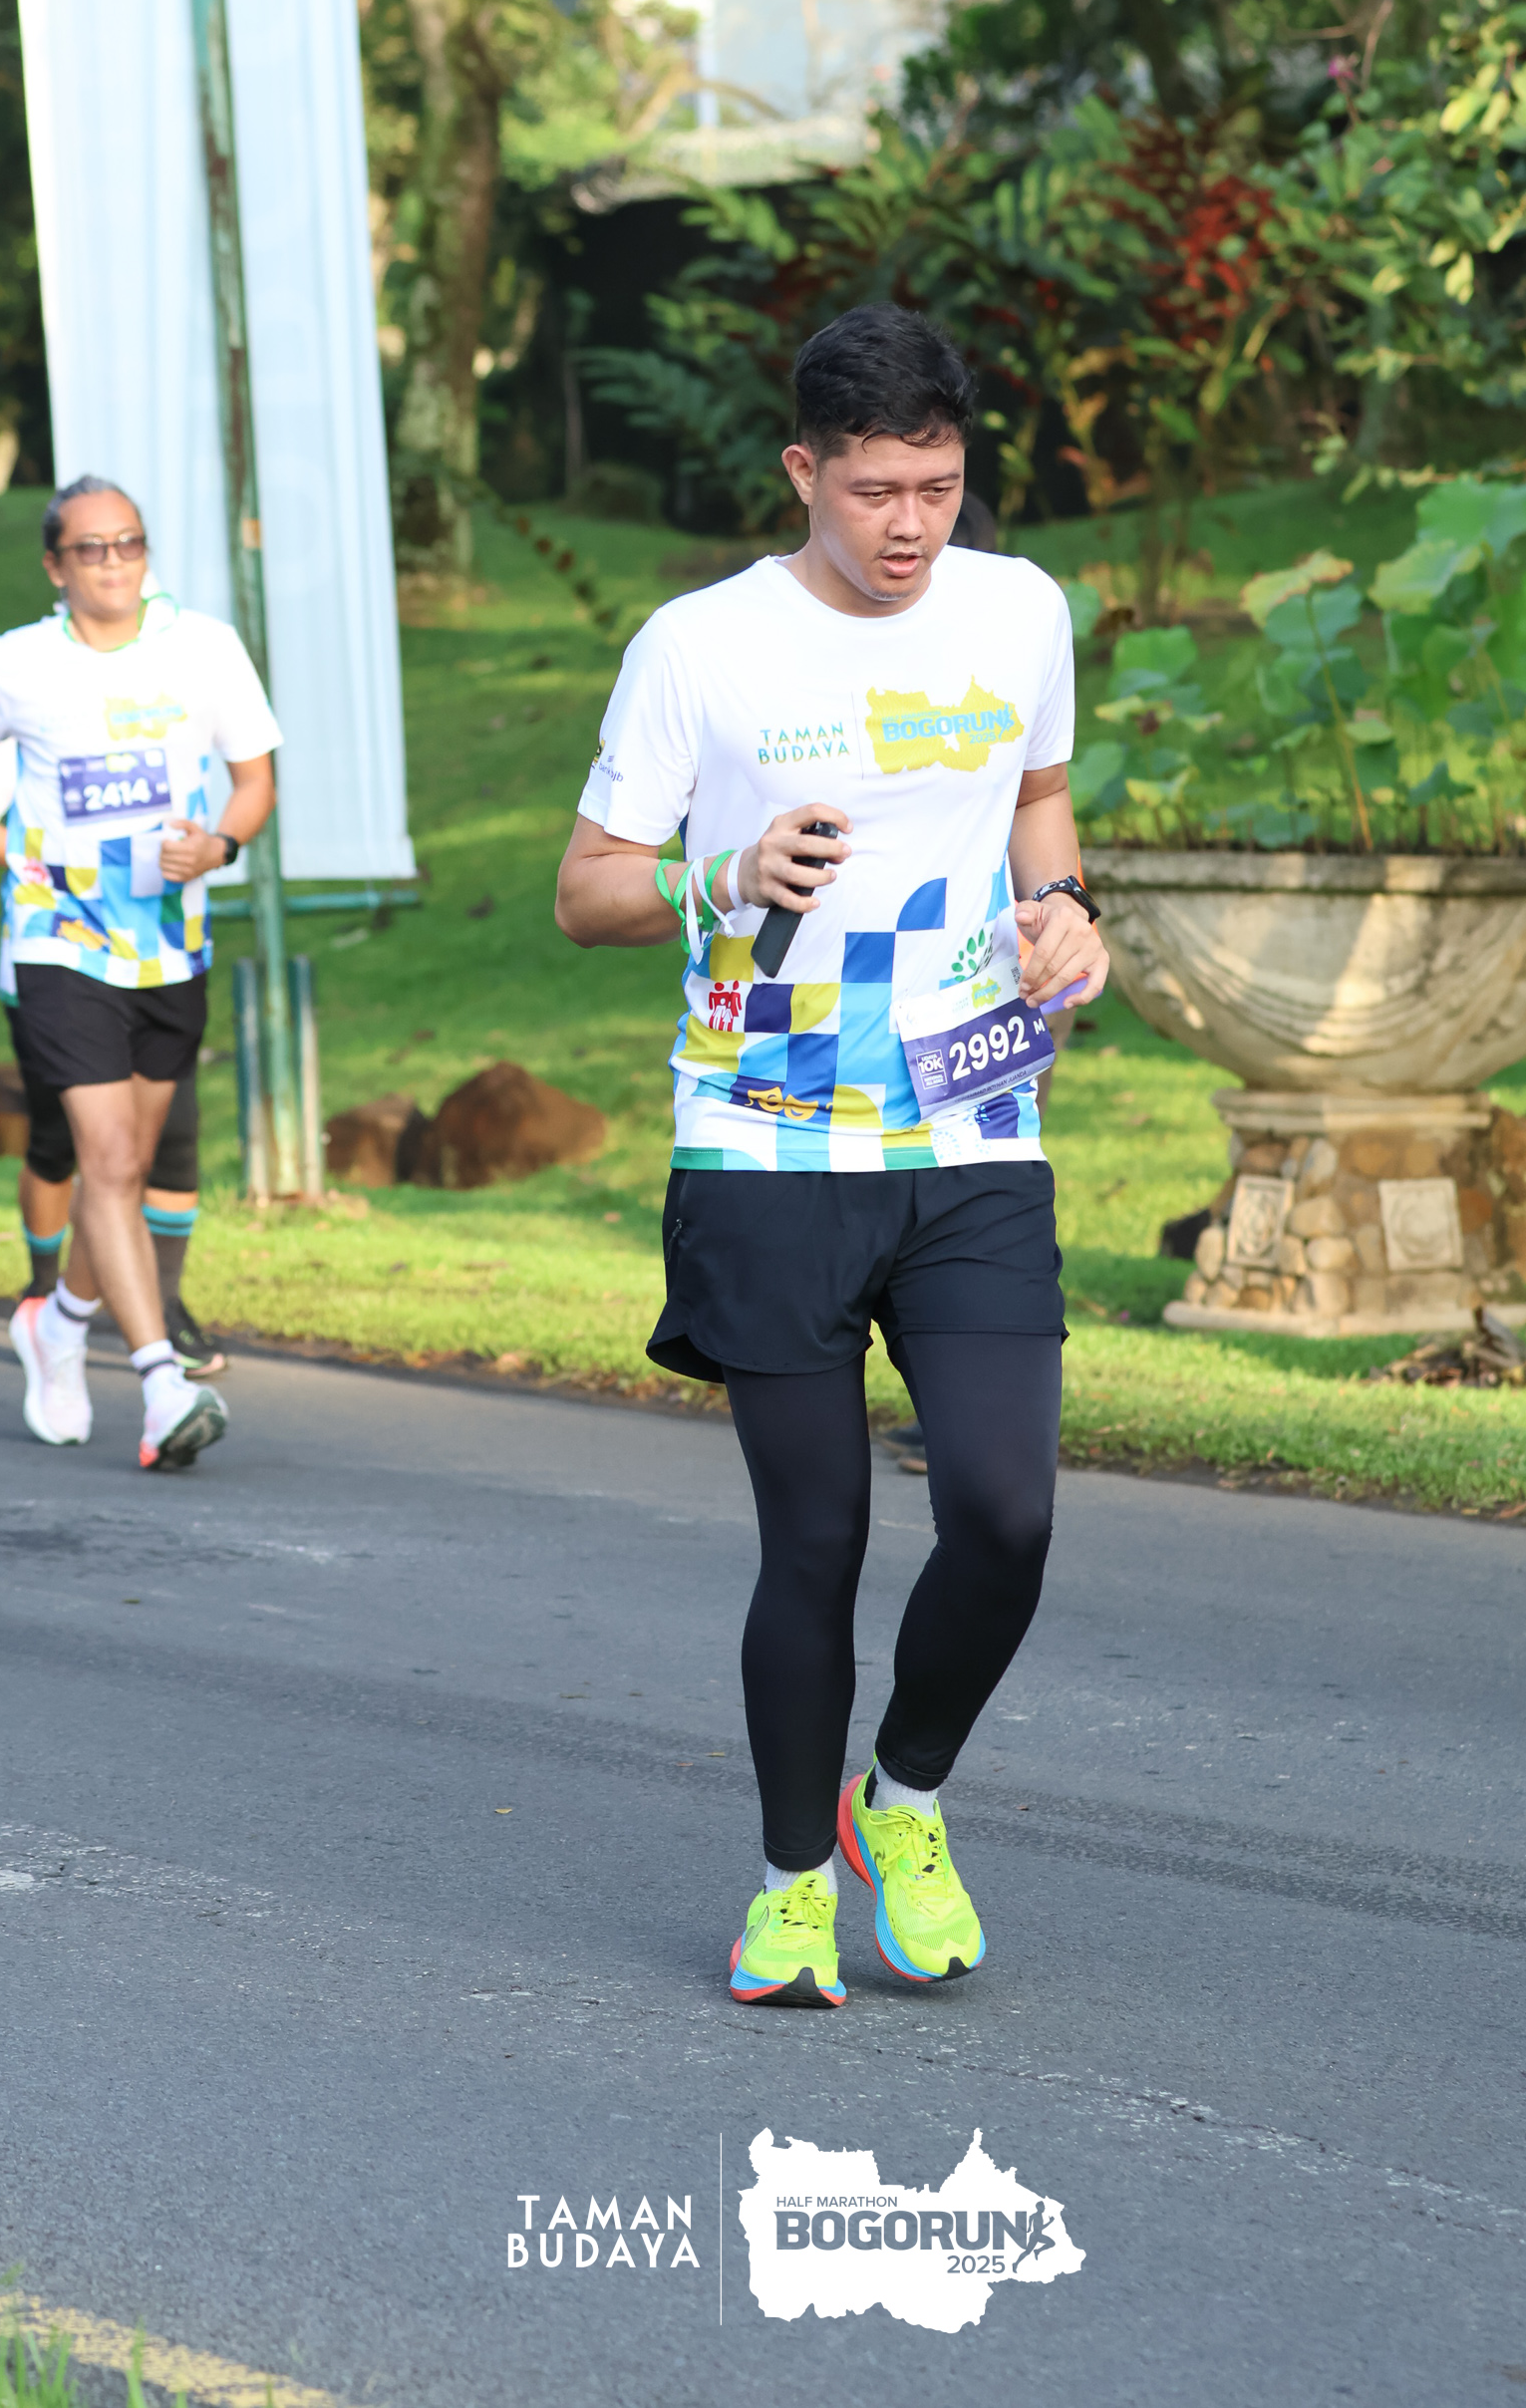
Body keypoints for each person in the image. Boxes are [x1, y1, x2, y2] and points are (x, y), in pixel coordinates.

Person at [556, 304, 1107, 2007]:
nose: (909, 526)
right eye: (874, 490)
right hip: (767, 1141)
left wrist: (1065, 908)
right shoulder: (700, 647)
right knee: (818, 1540)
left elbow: (1037, 801)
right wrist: (721, 876)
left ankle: (904, 1799)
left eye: (937, 487)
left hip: (971, 1119)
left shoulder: (1018, 609)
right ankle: (793, 1883)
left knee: (1007, 1512)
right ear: (805, 471)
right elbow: (586, 891)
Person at [0, 474, 280, 1468]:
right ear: (56, 566)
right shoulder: (16, 662)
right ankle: (161, 1384)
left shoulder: (204, 648)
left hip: (168, 943)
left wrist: (218, 845)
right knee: (107, 1154)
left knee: (123, 1165)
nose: (113, 561)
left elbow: (254, 780)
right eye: (90, 547)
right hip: (58, 941)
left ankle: (58, 1322)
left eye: (128, 542)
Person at [0, 739, 224, 1374]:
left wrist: (206, 849)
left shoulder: (169, 713)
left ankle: (161, 1305)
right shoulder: (29, 709)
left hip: (160, 958)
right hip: (58, 961)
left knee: (170, 1140)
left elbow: (239, 798)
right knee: (61, 1144)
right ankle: (43, 1292)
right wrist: (62, 862)